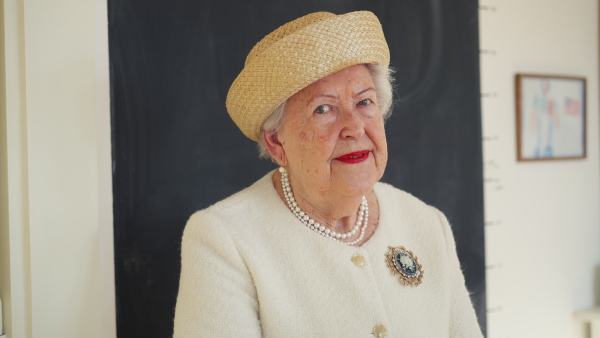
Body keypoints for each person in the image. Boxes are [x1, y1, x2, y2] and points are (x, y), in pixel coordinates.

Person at [173, 11, 483, 337]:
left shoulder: (427, 224)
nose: (354, 126)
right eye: (323, 108)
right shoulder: (224, 240)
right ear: (277, 142)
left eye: (364, 102)